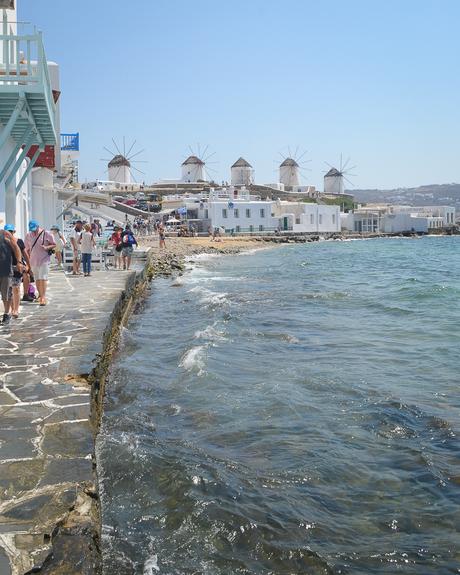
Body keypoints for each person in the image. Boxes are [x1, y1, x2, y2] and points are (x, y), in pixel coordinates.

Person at [25, 220, 56, 306]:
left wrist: (47, 247)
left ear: (38, 226)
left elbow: (54, 244)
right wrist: (27, 263)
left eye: (34, 229)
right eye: (32, 229)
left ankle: (43, 297)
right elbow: (27, 249)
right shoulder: (28, 235)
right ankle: (40, 295)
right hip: (33, 260)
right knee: (37, 279)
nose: (33, 231)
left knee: (43, 278)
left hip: (44, 259)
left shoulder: (46, 233)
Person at [4, 224, 29, 319]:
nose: (9, 233)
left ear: (13, 232)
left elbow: (24, 254)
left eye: (11, 231)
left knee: (16, 288)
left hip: (17, 267)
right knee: (8, 290)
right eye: (7, 232)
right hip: (6, 268)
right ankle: (12, 308)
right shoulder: (2, 242)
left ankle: (16, 309)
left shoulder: (19, 241)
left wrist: (28, 265)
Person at [0, 227, 23, 325]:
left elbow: (16, 248)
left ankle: (6, 313)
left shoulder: (5, 234)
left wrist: (19, 261)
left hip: (5, 269)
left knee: (6, 293)